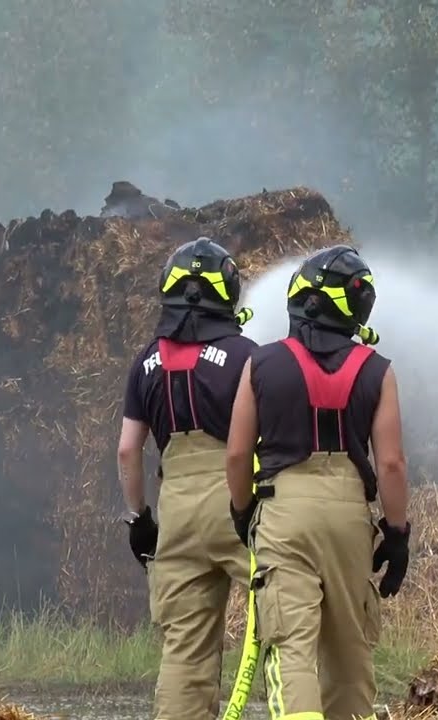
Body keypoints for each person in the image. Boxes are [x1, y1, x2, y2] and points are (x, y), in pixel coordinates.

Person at [224, 244, 411, 720]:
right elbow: (391, 464)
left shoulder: (261, 364)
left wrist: (243, 512)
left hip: (284, 515)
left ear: (306, 301)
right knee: (350, 654)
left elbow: (238, 453)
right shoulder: (378, 371)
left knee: (292, 647)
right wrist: (397, 535)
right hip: (349, 519)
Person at [117, 236, 257, 720]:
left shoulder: (145, 362)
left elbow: (127, 449)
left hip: (175, 510)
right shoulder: (247, 355)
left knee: (185, 649)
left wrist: (139, 519)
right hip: (237, 501)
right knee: (283, 619)